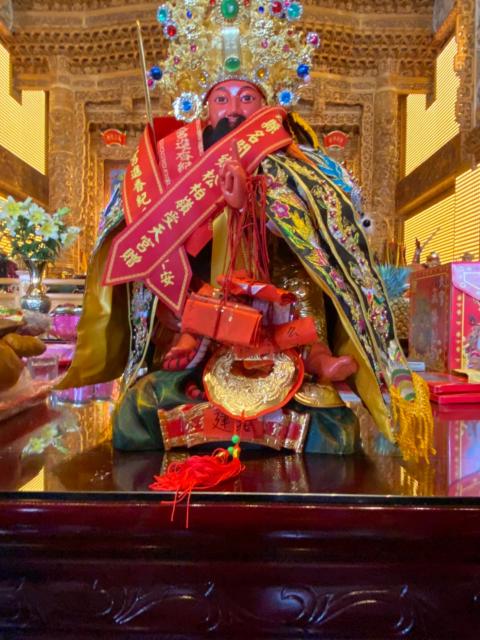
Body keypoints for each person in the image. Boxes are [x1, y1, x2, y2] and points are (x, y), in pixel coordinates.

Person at [60, 0, 433, 461]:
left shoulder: (298, 159)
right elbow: (131, 229)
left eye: (246, 98)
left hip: (273, 286)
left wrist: (257, 206)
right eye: (222, 99)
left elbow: (328, 230)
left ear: (266, 104)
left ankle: (317, 358)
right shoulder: (171, 159)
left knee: (299, 292)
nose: (233, 110)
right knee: (178, 319)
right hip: (199, 292)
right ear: (204, 106)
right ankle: (186, 356)